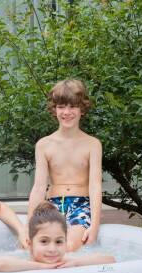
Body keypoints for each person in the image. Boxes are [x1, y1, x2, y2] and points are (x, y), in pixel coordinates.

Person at [28, 79, 103, 252]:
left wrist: (95, 225)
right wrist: (28, 226)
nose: (67, 112)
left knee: (68, 247)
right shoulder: (44, 145)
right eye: (61, 107)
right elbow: (38, 188)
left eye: (73, 106)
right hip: (52, 206)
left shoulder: (92, 144)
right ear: (54, 109)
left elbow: (95, 186)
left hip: (81, 205)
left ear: (82, 109)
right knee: (36, 248)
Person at [0, 202, 115, 272]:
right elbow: (0, 264)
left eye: (58, 242)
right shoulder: (26, 261)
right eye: (44, 241)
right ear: (30, 244)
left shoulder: (66, 260)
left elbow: (110, 260)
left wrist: (76, 263)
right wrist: (40, 266)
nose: (52, 249)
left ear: (66, 242)